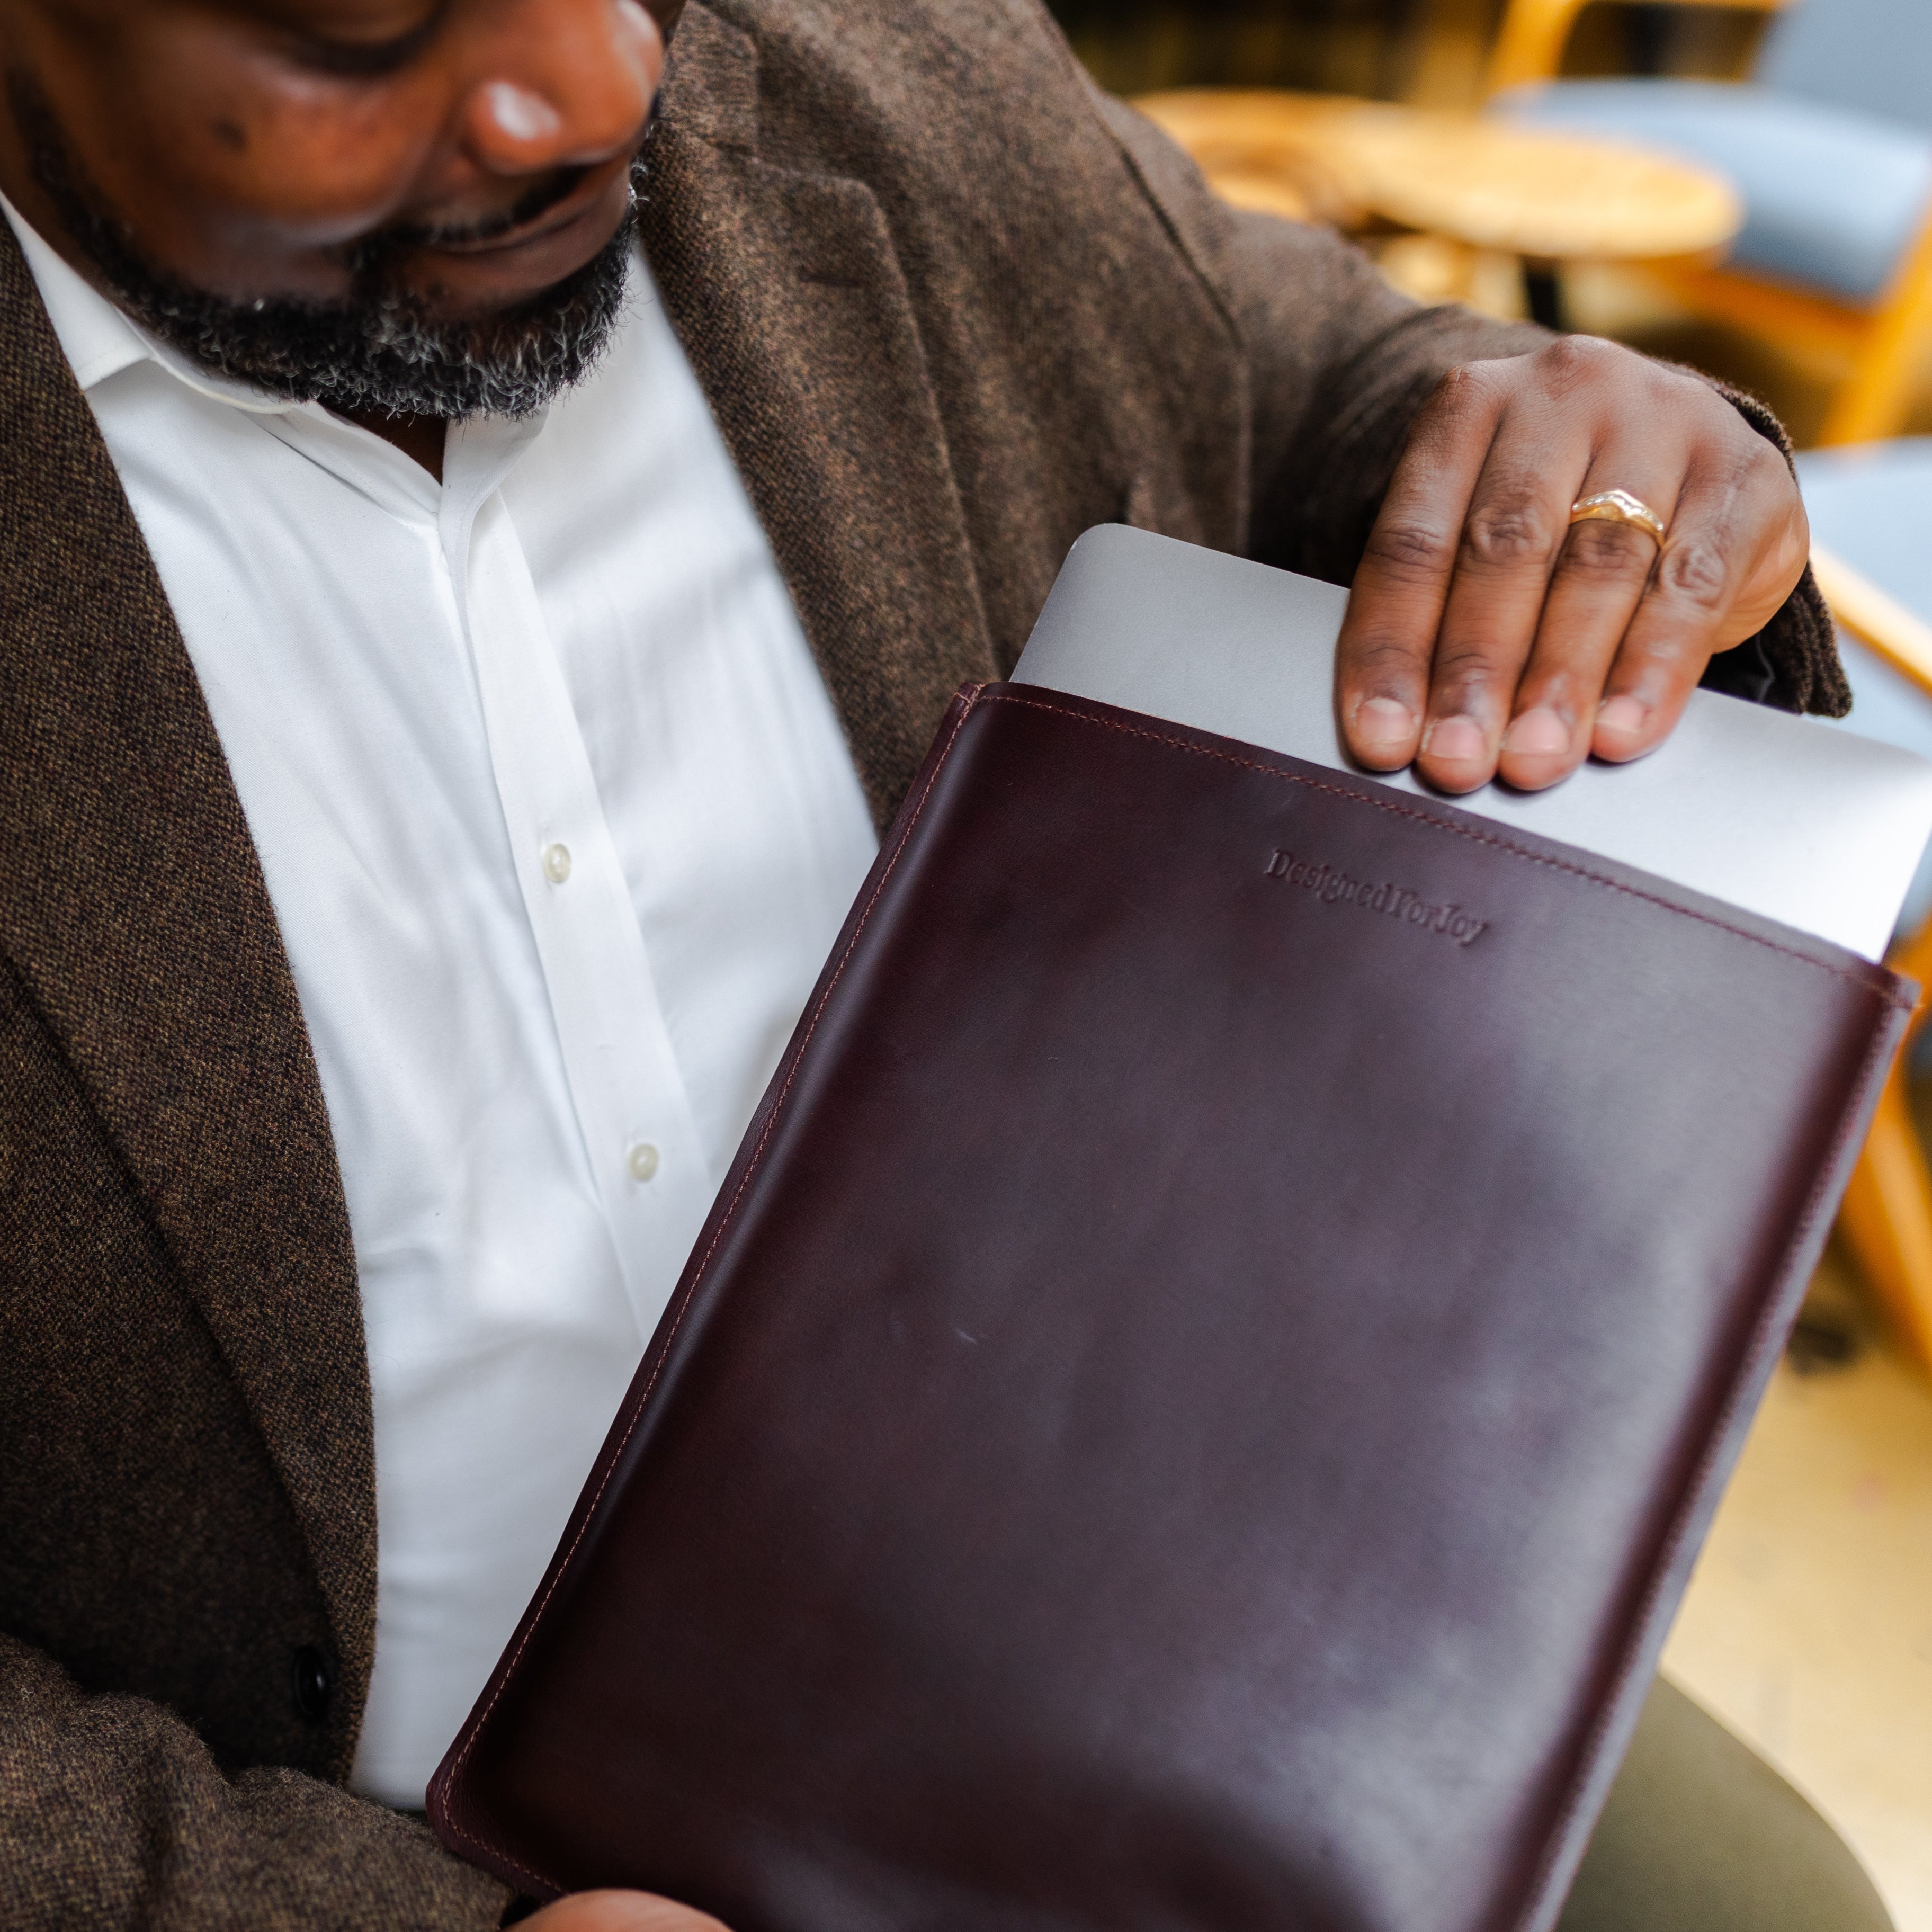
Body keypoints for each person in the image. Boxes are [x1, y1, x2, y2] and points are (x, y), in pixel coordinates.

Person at [0, 0, 1891, 1926]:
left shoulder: (880, 75)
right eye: (372, 25)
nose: (600, 90)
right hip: (325, 1833)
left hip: (1189, 1632)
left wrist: (1576, 470)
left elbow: (1318, 375)